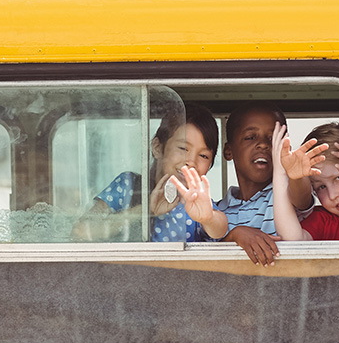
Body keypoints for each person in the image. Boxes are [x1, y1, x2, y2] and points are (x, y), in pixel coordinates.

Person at [73, 102, 227, 242]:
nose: (191, 162)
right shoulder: (129, 186)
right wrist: (147, 210)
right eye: (183, 148)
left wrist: (208, 218)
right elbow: (81, 230)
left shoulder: (197, 202)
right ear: (157, 148)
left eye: (203, 156)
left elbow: (220, 228)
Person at [210, 101, 325, 264]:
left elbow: (301, 197)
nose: (263, 144)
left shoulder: (284, 194)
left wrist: (295, 175)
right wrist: (235, 235)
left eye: (273, 139)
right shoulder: (217, 212)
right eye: (250, 137)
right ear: (229, 151)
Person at [272, 121, 339, 241]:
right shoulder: (323, 220)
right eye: (321, 187)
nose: (333, 195)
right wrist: (280, 171)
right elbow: (293, 240)